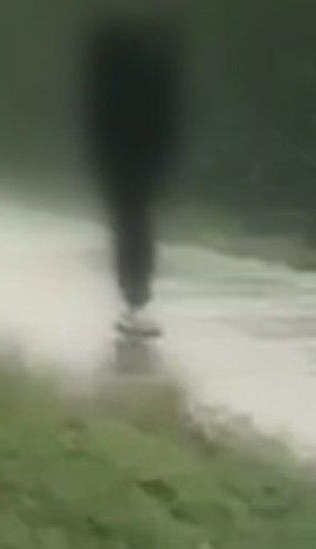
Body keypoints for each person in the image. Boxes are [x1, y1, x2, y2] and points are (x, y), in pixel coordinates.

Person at [83, 3, 185, 337]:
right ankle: (134, 300)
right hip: (121, 146)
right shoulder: (111, 41)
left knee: (134, 218)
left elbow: (169, 103)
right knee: (133, 218)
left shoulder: (157, 41)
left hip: (143, 146)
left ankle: (134, 300)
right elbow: (98, 103)